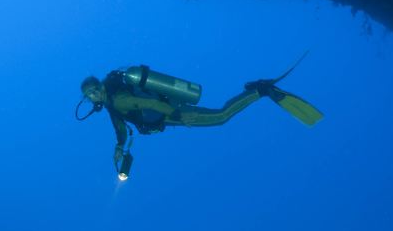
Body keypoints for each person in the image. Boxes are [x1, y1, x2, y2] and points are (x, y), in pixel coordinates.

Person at [76, 55, 323, 180]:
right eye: (89, 96)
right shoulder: (111, 103)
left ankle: (261, 90)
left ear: (100, 86)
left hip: (172, 113)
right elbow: (119, 126)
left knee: (221, 117)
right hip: (168, 112)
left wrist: (179, 116)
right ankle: (254, 89)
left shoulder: (117, 99)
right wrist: (119, 147)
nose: (93, 97)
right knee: (220, 115)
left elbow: (149, 103)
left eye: (94, 91)